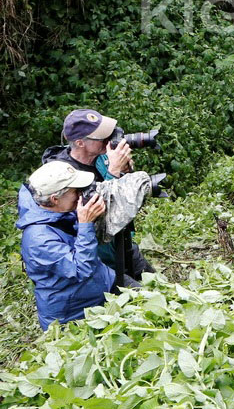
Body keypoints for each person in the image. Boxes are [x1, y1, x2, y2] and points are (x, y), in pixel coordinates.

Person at [42, 108, 155, 277]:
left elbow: (124, 193)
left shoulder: (101, 155)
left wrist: (125, 170)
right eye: (101, 136)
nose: (108, 139)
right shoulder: (63, 176)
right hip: (99, 255)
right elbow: (98, 218)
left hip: (123, 242)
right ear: (80, 142)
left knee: (159, 283)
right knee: (134, 296)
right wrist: (113, 171)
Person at [16, 161, 115, 330]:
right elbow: (81, 269)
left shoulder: (53, 210)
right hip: (74, 316)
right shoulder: (38, 239)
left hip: (99, 286)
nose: (81, 195)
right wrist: (85, 223)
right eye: (76, 191)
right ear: (55, 199)